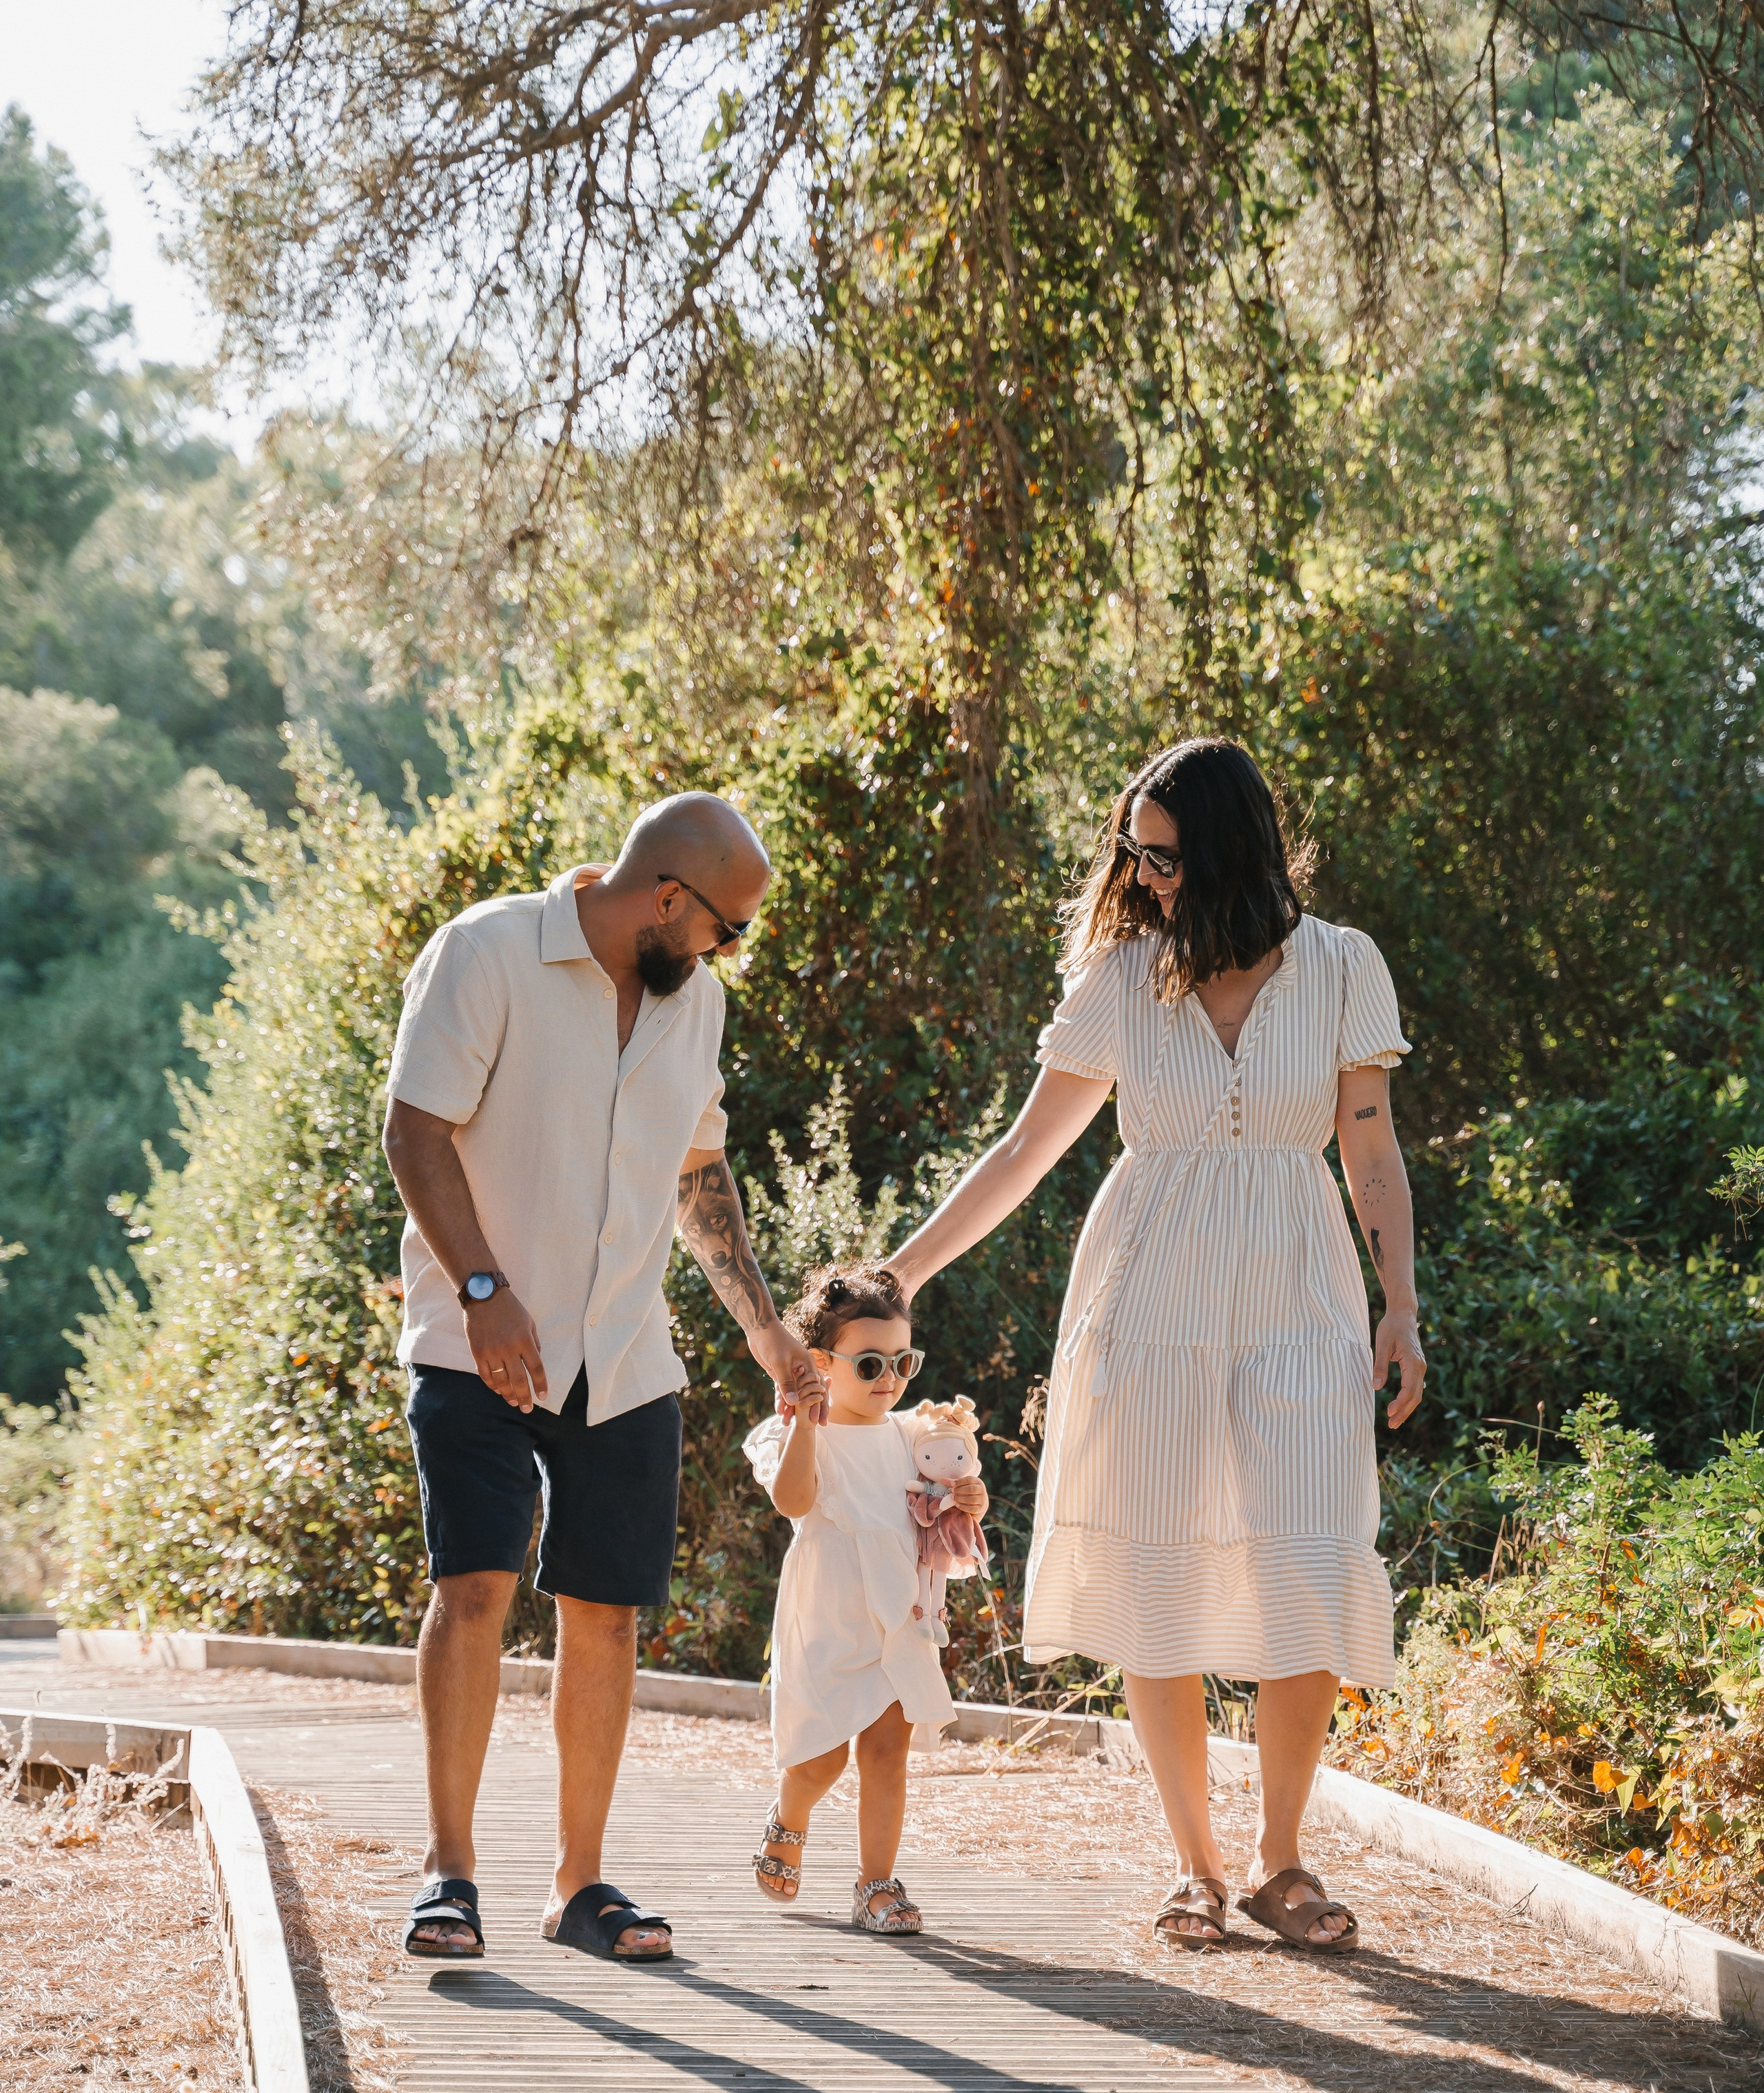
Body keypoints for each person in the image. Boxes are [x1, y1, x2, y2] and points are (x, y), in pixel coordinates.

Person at [887, 737, 1426, 1953]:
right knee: (1156, 1572)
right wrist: (901, 1274)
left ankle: (1285, 1861)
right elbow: (1025, 1154)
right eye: (1133, 852)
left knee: (1306, 1558)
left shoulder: (1343, 967)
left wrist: (1400, 1307)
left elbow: (1371, 1149)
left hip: (1301, 1292)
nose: (1144, 875)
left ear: (1232, 849)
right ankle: (1198, 1866)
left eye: (1166, 856)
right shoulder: (1124, 977)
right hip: (1148, 1299)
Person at [382, 792, 827, 1965]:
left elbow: (699, 1173)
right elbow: (414, 1130)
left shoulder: (697, 1004)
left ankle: (579, 1886)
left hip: (625, 1353)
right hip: (475, 1338)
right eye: (726, 929)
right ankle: (450, 1875)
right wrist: (484, 1292)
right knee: (474, 1586)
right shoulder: (484, 953)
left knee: (607, 1615)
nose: (730, 954)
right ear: (667, 899)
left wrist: (765, 1332)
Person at [742, 1263, 989, 1936]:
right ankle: (790, 1814)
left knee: (887, 1751)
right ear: (821, 1362)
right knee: (820, 1755)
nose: (891, 1380)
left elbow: (956, 1489)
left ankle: (876, 1883)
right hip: (826, 1615)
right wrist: (801, 1422)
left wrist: (971, 1498)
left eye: (903, 1362)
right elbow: (793, 1502)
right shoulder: (793, 1433)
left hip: (899, 1613)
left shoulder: (912, 1434)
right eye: (872, 1363)